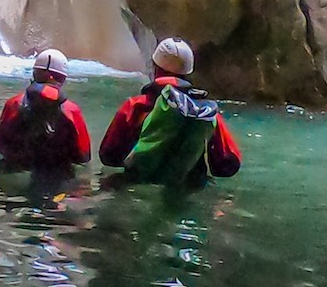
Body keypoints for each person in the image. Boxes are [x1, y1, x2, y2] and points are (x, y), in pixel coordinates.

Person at [99, 38, 241, 184]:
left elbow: (109, 157)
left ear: (155, 68)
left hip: (139, 183)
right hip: (187, 188)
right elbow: (228, 165)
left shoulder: (136, 106)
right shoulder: (206, 110)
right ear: (188, 72)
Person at [0, 49, 92, 171]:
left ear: (35, 74)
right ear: (60, 79)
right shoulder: (71, 110)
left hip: (17, 170)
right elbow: (83, 155)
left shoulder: (13, 103)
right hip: (57, 176)